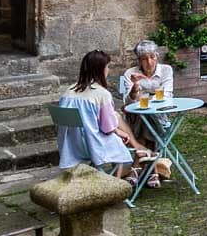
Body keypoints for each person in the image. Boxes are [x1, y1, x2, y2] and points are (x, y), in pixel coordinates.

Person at [55, 51, 145, 187]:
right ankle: (116, 185)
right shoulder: (102, 94)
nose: (108, 70)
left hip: (71, 145)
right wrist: (121, 132)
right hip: (93, 145)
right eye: (107, 67)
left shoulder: (68, 91)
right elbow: (107, 128)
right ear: (100, 69)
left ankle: (104, 179)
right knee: (120, 145)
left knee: (117, 132)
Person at [119, 40, 174, 183]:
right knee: (143, 116)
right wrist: (135, 88)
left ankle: (136, 167)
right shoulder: (130, 73)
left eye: (152, 57)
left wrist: (145, 99)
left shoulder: (166, 70)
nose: (149, 62)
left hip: (160, 116)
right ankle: (153, 171)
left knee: (147, 116)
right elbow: (128, 102)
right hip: (136, 117)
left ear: (157, 56)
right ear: (139, 61)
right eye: (144, 59)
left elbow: (167, 94)